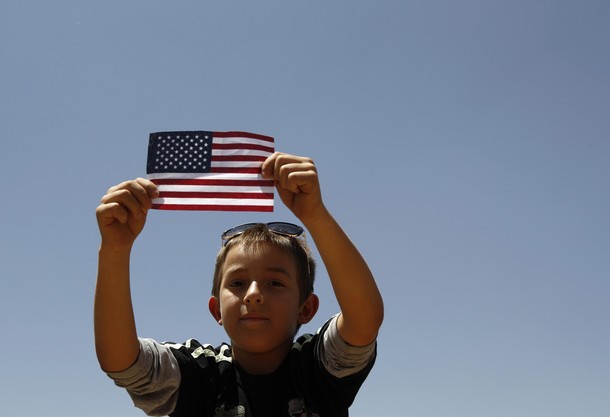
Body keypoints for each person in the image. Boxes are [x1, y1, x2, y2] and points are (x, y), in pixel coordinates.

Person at [94, 152, 384, 417]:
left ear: (306, 308)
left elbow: (364, 321)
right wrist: (114, 250)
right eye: (237, 283)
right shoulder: (199, 373)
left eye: (274, 282)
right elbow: (123, 363)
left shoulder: (316, 367)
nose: (254, 295)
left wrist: (315, 215)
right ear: (216, 309)